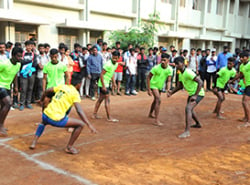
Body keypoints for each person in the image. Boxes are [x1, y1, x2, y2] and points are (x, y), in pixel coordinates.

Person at [29, 73, 97, 154]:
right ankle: (69, 147)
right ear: (79, 84)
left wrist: (41, 100)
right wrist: (89, 124)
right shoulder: (75, 94)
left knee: (43, 122)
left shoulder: (63, 86)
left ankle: (34, 142)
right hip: (56, 119)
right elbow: (79, 110)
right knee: (80, 125)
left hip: (45, 115)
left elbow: (48, 90)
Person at [167, 56, 205, 138]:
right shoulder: (180, 73)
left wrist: (195, 95)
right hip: (192, 93)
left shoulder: (188, 72)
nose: (177, 66)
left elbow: (200, 82)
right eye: (175, 64)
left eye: (178, 64)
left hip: (198, 93)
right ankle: (198, 124)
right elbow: (180, 86)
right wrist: (171, 93)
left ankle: (187, 131)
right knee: (190, 109)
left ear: (183, 63)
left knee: (188, 108)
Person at [0, 47, 23, 136]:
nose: (20, 58)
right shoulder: (4, 64)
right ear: (12, 55)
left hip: (8, 87)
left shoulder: (18, 64)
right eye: (18, 56)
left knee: (3, 106)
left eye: (21, 56)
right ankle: (0, 125)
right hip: (0, 86)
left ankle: (1, 124)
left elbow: (15, 75)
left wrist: (16, 87)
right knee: (8, 103)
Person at [92, 51, 119, 122]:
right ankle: (109, 117)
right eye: (113, 58)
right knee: (107, 100)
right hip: (103, 84)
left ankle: (94, 114)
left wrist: (114, 83)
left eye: (116, 58)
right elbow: (101, 74)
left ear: (118, 58)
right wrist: (103, 86)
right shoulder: (108, 64)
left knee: (100, 99)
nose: (114, 59)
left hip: (106, 83)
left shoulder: (115, 64)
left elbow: (112, 73)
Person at [147, 53, 172, 126]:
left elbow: (169, 80)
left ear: (168, 61)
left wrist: (168, 89)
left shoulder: (170, 69)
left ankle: (150, 113)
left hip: (160, 86)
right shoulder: (156, 68)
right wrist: (148, 89)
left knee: (155, 100)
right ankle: (156, 120)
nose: (162, 62)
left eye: (164, 60)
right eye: (162, 60)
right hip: (153, 85)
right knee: (158, 99)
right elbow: (148, 77)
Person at [231, 52, 250, 127]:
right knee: (243, 101)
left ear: (247, 57)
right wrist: (233, 80)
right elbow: (241, 75)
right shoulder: (241, 65)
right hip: (247, 85)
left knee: (245, 102)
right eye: (240, 57)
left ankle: (249, 121)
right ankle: (246, 117)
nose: (241, 59)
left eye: (243, 57)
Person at [19, 40, 38, 110]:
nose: (30, 47)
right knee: (23, 88)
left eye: (31, 46)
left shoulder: (34, 55)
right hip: (23, 74)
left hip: (31, 74)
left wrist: (28, 66)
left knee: (30, 88)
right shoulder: (22, 54)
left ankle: (28, 103)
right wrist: (28, 63)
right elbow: (21, 62)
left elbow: (35, 64)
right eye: (28, 45)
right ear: (25, 46)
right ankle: (21, 103)